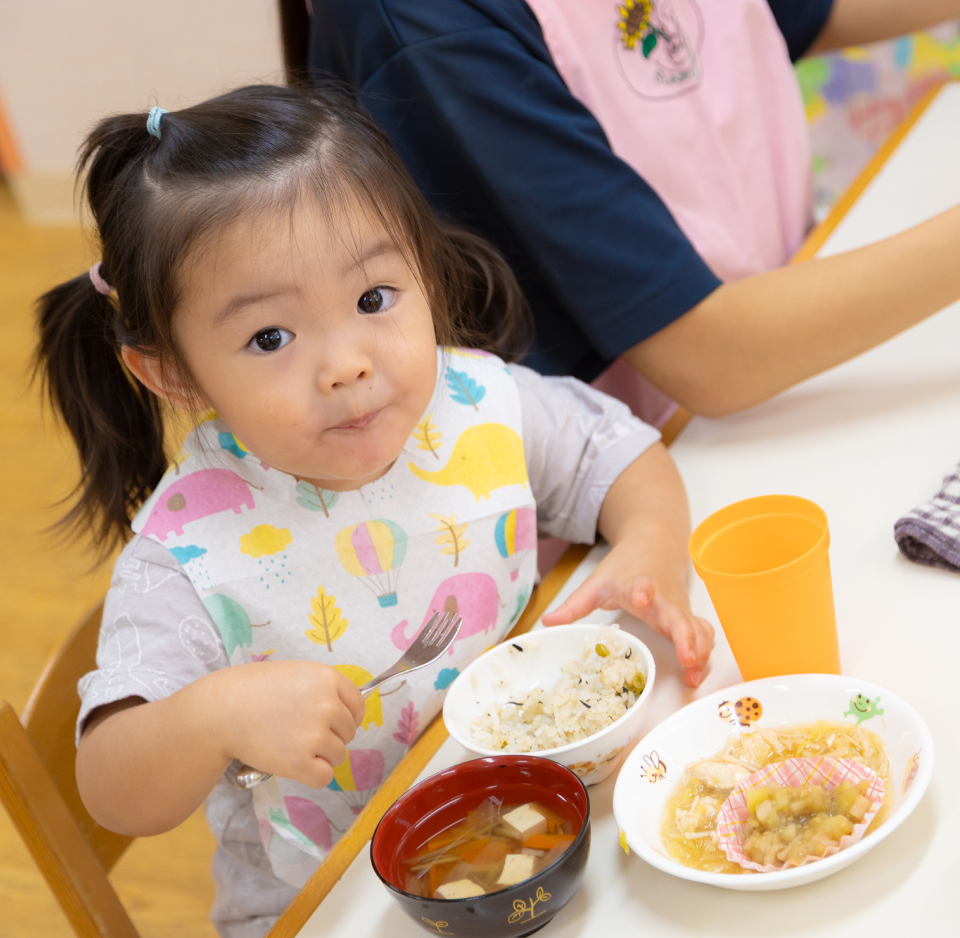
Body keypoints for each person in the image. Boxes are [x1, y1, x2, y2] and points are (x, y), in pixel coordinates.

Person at [35, 85, 712, 937]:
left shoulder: (471, 406)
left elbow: (621, 458)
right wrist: (211, 716)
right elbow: (110, 788)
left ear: (422, 271)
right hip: (332, 897)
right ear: (172, 372)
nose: (347, 365)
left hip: (537, 816)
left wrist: (649, 545)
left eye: (372, 299)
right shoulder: (187, 554)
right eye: (271, 338)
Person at [307, 0, 960, 425]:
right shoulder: (425, 23)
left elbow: (804, 10)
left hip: (795, 357)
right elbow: (710, 357)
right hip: (630, 483)